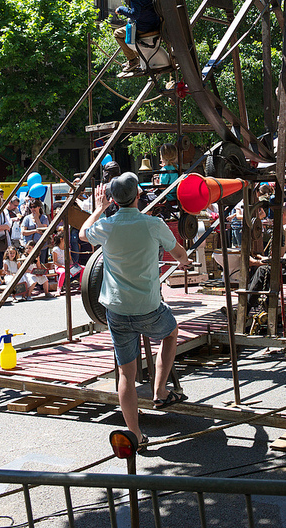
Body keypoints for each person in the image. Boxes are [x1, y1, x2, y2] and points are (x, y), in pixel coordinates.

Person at [79, 172, 191, 448]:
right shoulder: (153, 224)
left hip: (116, 309)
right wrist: (184, 260)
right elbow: (179, 255)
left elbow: (83, 234)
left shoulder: (107, 225)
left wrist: (99, 208)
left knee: (126, 375)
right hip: (148, 307)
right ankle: (161, 390)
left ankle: (135, 435)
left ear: (113, 200)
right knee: (170, 332)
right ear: (138, 195)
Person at [112, 0, 161, 76]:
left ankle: (133, 60)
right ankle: (138, 57)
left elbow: (135, 14)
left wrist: (121, 9)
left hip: (144, 29)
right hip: (155, 25)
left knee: (118, 33)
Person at [21, 199, 50, 264]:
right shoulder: (27, 218)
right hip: (29, 247)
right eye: (31, 207)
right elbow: (23, 232)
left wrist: (37, 218)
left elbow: (43, 229)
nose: (32, 209)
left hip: (41, 246)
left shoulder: (44, 218)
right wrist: (35, 231)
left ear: (39, 207)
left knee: (42, 264)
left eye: (34, 207)